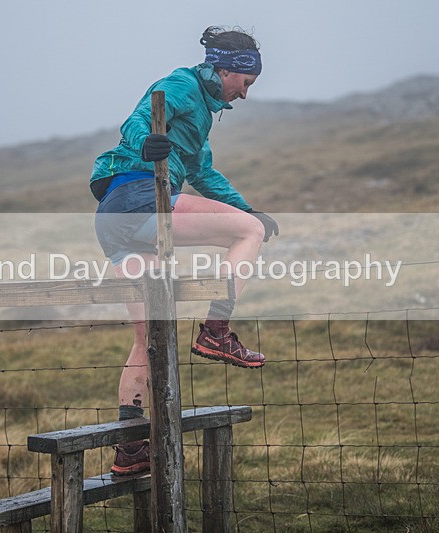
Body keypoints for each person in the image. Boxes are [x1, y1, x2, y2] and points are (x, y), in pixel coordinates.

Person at [90, 26, 279, 476]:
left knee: (148, 338)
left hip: (114, 221)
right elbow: (140, 117)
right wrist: (145, 141)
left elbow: (203, 173)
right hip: (141, 199)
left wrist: (245, 206)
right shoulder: (181, 84)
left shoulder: (200, 118)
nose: (245, 94)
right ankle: (216, 330)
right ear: (228, 70)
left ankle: (130, 449)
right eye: (246, 83)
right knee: (248, 233)